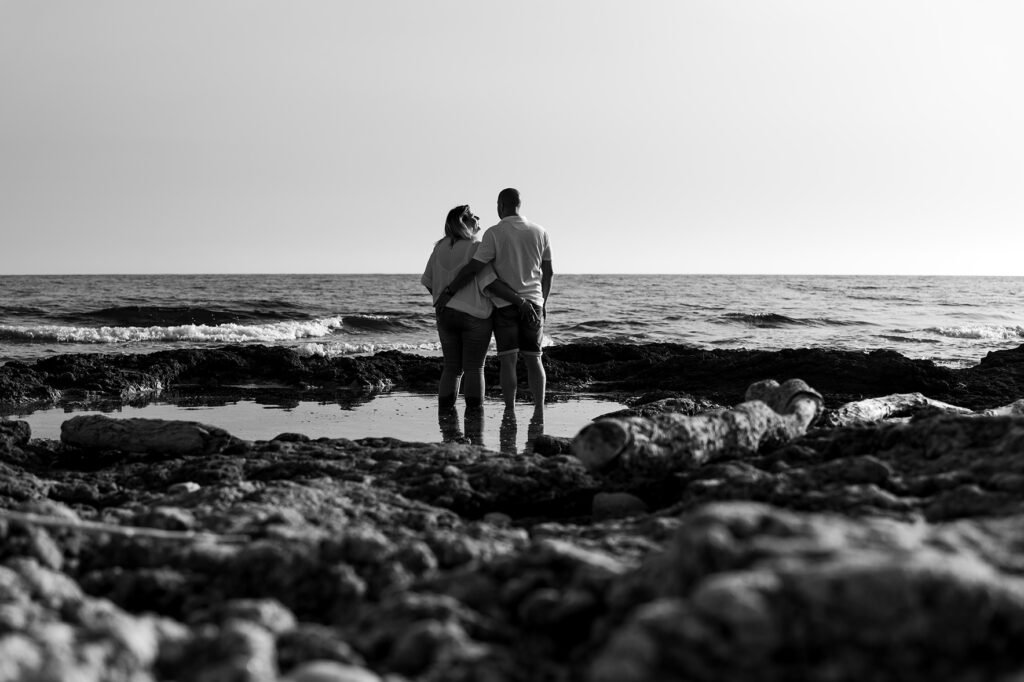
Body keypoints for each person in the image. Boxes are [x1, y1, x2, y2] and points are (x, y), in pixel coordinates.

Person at [434, 188, 552, 417]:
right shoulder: (541, 231)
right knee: (534, 359)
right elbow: (549, 272)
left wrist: (449, 292)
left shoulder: (493, 233)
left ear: (500, 205)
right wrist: (543, 302)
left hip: (503, 305)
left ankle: (510, 410)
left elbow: (475, 269)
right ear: (519, 204)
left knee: (507, 362)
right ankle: (539, 411)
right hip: (534, 302)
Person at [421, 205, 524, 412]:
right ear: (463, 222)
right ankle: (474, 422)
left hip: (445, 315)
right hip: (474, 315)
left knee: (451, 368)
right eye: (473, 216)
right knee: (475, 368)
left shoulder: (439, 247)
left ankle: (445, 419)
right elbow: (490, 283)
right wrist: (519, 301)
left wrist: (442, 299)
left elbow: (427, 281)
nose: (478, 218)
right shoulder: (476, 247)